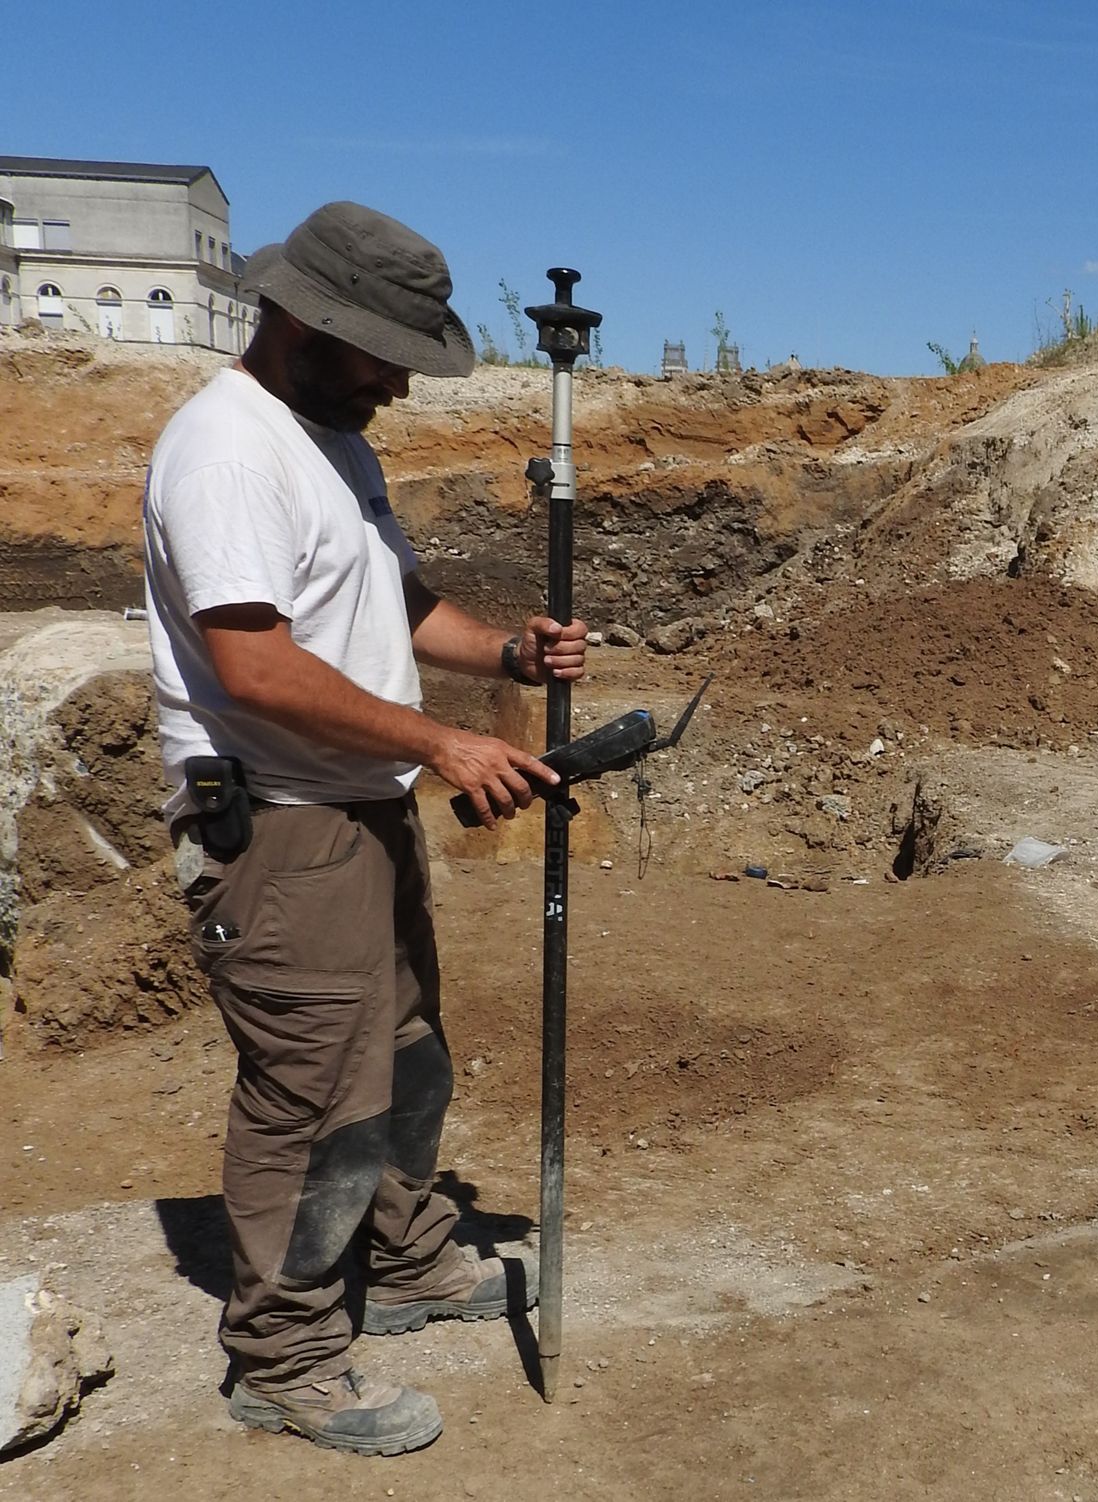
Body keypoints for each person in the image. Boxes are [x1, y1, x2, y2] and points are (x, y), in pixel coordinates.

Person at [141, 201, 586, 1456]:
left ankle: (402, 1262)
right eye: (381, 349)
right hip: (278, 823)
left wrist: (503, 652)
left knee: (401, 1055)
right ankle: (281, 1360)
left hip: (359, 808)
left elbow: (387, 596)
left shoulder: (330, 437)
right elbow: (256, 668)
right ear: (302, 321)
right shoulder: (230, 451)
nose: (398, 376)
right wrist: (439, 740)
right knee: (313, 1094)